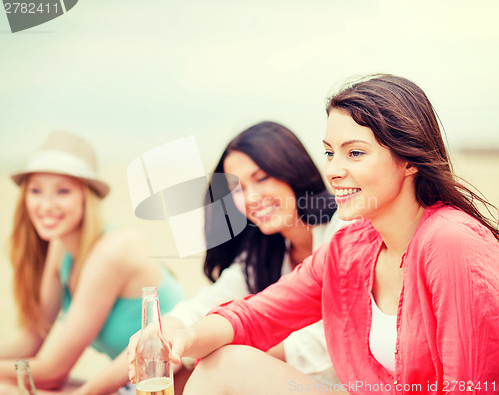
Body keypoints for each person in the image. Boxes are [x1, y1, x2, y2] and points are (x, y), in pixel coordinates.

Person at [129, 75, 499, 394]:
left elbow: (471, 381)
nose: (334, 170)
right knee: (220, 364)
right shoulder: (351, 247)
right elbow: (255, 316)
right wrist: (184, 339)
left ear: (409, 160)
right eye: (329, 153)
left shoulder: (451, 241)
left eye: (354, 153)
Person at [126, 121, 344, 393]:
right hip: (286, 384)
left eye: (262, 178)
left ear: (293, 170)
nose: (251, 198)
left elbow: (324, 341)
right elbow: (203, 306)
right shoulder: (264, 251)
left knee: (217, 361)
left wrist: (214, 343)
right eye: (237, 189)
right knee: (181, 359)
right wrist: (167, 333)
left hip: (346, 385)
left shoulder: (344, 229)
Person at [0, 131, 184, 394]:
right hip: (128, 385)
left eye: (62, 191)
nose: (46, 205)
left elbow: (52, 372)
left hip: (167, 386)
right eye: (36, 190)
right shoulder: (60, 244)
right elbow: (29, 342)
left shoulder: (112, 252)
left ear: (87, 196)